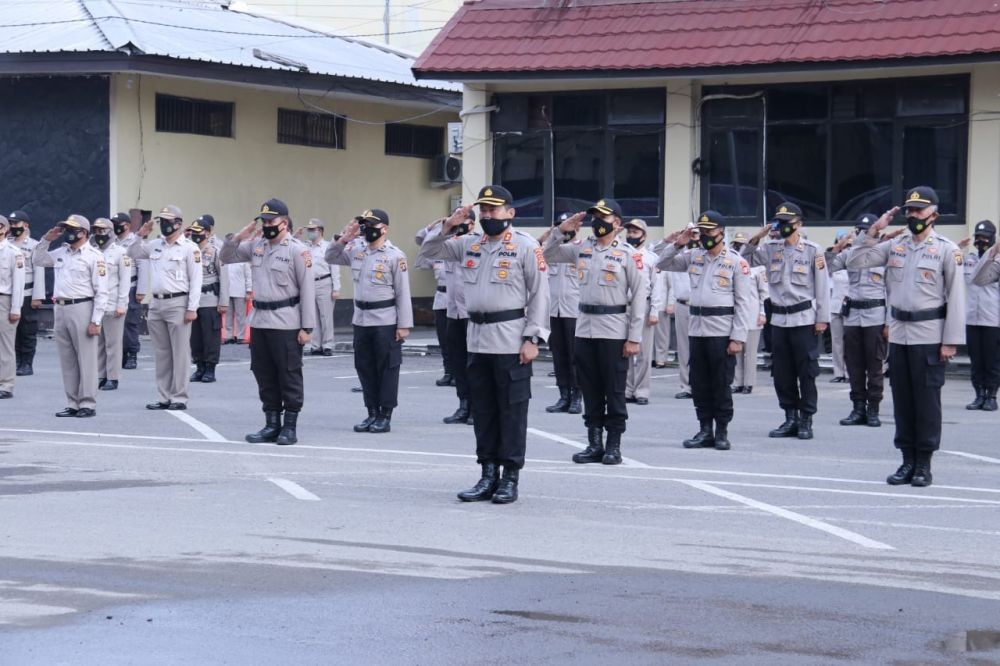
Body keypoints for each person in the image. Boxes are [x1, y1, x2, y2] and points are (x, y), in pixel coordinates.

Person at [417, 185, 549, 504]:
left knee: (512, 412)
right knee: (485, 412)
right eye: (485, 210)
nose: (489, 215)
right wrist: (447, 226)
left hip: (510, 339)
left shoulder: (525, 247)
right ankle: (487, 474)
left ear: (510, 213)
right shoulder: (468, 244)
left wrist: (534, 337)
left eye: (494, 209)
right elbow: (427, 254)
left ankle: (510, 478)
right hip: (476, 340)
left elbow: (540, 295)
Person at [850, 186, 965, 487]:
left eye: (920, 210)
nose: (914, 215)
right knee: (902, 402)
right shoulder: (895, 245)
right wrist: (874, 231)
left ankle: (924, 464)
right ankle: (906, 461)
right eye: (910, 210)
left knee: (927, 403)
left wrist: (950, 340)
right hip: (899, 335)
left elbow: (956, 296)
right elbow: (856, 261)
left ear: (934, 215)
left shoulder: (946, 249)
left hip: (930, 335)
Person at [543, 198, 645, 465]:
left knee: (613, 390)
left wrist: (634, 337)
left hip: (614, 329)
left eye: (604, 217)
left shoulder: (628, 255)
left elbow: (639, 297)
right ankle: (594, 443)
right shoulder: (580, 249)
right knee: (589, 388)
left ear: (617, 223)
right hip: (584, 327)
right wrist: (561, 231)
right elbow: (545, 255)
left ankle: (614, 445)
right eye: (595, 216)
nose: (597, 221)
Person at [654, 211, 753, 450]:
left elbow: (743, 302)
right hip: (697, 329)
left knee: (720, 384)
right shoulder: (693, 256)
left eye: (710, 232)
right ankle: (704, 429)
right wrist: (679, 243)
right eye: (703, 232)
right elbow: (660, 262)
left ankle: (721, 431)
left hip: (722, 331)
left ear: (721, 232)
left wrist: (738, 337)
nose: (706, 236)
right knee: (699, 384)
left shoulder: (736, 262)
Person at [222, 198, 315, 445]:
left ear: (284, 222)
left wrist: (307, 327)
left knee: (289, 374)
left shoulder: (297, 250)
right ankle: (271, 424)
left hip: (286, 322)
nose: (266, 225)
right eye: (263, 220)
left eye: (271, 220)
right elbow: (227, 255)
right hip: (260, 321)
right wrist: (242, 233)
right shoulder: (256, 246)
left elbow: (308, 290)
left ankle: (290, 426)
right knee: (264, 374)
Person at [743, 203, 831, 440]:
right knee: (782, 373)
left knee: (807, 372)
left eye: (787, 222)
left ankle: (806, 419)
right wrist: (756, 237)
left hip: (804, 319)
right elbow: (745, 260)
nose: (782, 227)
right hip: (779, 320)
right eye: (779, 222)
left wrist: (823, 318)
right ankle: (790, 417)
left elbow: (822, 286)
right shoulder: (771, 248)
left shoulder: (813, 250)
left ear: (799, 224)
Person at [327, 209, 413, 434]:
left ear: (384, 229)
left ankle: (385, 414)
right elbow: (331, 257)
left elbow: (403, 292)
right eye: (364, 225)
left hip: (385, 319)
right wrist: (346, 236)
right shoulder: (356, 249)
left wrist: (403, 325)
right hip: (361, 319)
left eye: (372, 225)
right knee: (364, 367)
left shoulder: (395, 256)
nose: (367, 229)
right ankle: (371, 412)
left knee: (386, 368)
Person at [128, 205, 203, 411]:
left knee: (179, 353)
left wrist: (192, 307)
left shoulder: (189, 248)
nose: (165, 225)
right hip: (156, 303)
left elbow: (196, 280)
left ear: (178, 223)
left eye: (169, 221)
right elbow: (132, 252)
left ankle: (179, 396)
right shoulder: (155, 245)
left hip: (178, 302)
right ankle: (163, 396)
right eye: (162, 221)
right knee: (162, 353)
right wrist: (140, 235)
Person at [33, 215, 108, 416]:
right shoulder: (62, 252)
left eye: (73, 228)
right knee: (68, 359)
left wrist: (96, 320)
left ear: (84, 232)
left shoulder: (94, 256)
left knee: (87, 359)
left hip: (82, 307)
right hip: (61, 307)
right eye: (66, 228)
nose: (68, 232)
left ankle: (87, 403)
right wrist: (47, 240)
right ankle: (72, 402)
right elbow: (38, 259)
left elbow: (102, 291)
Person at [828, 213, 891, 426]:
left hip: (875, 315)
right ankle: (857, 408)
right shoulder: (849, 255)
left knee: (874, 366)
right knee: (854, 366)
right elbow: (827, 267)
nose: (863, 234)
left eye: (867, 230)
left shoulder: (885, 254)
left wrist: (889, 322)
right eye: (860, 231)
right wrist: (839, 246)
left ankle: (873, 409)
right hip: (853, 316)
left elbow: (892, 291)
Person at [416, 209, 476, 425]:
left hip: (471, 312)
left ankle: (477, 409)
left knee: (474, 365)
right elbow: (424, 245)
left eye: (465, 221)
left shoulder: (475, 243)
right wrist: (443, 225)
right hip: (453, 311)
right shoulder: (447, 243)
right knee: (458, 363)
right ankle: (463, 405)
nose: (461, 225)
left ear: (473, 225)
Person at [538, 212, 582, 414]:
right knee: (559, 355)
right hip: (553, 310)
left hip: (574, 311)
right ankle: (563, 395)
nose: (564, 229)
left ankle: (577, 396)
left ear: (577, 228)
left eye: (568, 226)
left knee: (575, 356)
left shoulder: (582, 249)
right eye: (560, 226)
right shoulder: (551, 250)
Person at [624, 219, 666, 406]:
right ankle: (627, 389)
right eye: (629, 232)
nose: (631, 235)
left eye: (635, 232)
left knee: (643, 352)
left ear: (644, 236)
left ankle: (641, 390)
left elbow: (658, 286)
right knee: (624, 350)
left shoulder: (651, 258)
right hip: (623, 306)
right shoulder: (622, 254)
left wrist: (655, 310)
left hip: (645, 306)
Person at [91, 218, 131, 391]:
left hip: (113, 303)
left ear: (111, 231)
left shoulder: (121, 253)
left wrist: (122, 304)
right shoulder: (91, 251)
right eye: (97, 231)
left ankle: (113, 377)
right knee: (98, 343)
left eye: (103, 230)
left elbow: (125, 281)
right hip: (95, 305)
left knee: (113, 344)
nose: (100, 234)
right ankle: (101, 375)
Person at [965, 220, 1000, 411]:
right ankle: (978, 395)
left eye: (985, 237)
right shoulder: (968, 259)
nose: (981, 241)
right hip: (971, 318)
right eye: (978, 237)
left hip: (992, 319)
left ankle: (992, 396)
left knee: (992, 361)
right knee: (976, 360)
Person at [188, 220, 229, 384]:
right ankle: (199, 367)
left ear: (207, 232)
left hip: (210, 298)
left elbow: (224, 277)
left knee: (210, 336)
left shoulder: (215, 251)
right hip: (192, 301)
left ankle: (210, 368)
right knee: (195, 337)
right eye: (193, 231)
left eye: (199, 231)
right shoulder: (189, 250)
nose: (195, 234)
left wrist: (224, 301)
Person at [415, 217, 454, 386]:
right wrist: (430, 227)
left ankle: (460, 373)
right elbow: (420, 240)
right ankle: (448, 371)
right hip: (441, 298)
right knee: (444, 339)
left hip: (459, 299)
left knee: (458, 341)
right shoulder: (437, 248)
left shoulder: (462, 244)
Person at [730, 232, 767, 394]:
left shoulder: (758, 268)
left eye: (741, 244)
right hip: (736, 313)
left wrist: (763, 313)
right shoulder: (732, 264)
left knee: (750, 352)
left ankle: (749, 383)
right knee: (736, 350)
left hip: (752, 313)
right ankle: (737, 382)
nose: (738, 247)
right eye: (736, 244)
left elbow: (764, 293)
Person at [8, 211, 43, 377]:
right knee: (11, 329)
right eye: (11, 223)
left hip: (28, 293)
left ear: (25, 225)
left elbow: (39, 271)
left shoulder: (34, 245)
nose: (14, 226)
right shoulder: (5, 244)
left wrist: (38, 296)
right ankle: (14, 362)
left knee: (27, 329)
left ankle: (27, 363)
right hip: (9, 293)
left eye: (17, 223)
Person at [112, 212, 148, 370]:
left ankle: (132, 354)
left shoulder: (135, 241)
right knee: (114, 322)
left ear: (126, 225)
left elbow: (143, 266)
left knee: (130, 323)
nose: (114, 226)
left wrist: (141, 290)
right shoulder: (111, 241)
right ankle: (120, 354)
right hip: (113, 287)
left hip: (131, 288)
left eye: (116, 223)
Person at [300, 220, 339, 356]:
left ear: (320, 231)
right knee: (313, 316)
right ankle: (315, 345)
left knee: (326, 316)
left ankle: (327, 344)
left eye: (313, 229)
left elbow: (334, 267)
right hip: (310, 283)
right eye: (309, 230)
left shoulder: (328, 247)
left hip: (324, 282)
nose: (310, 232)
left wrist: (336, 288)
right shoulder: (306, 247)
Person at [0, 215, 25, 399]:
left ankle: (6, 384)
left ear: (6, 229)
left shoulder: (13, 252)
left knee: (5, 346)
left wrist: (16, 308)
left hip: (4, 300)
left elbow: (18, 283)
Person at [828, 230, 850, 383]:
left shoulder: (858, 262)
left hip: (852, 308)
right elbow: (827, 260)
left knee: (851, 343)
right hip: (836, 307)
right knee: (837, 342)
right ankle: (839, 373)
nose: (847, 248)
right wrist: (839, 244)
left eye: (849, 245)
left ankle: (850, 373)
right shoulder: (834, 264)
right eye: (844, 245)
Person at [224, 235, 253, 344]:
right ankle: (228, 335)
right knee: (228, 315)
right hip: (227, 292)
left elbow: (248, 276)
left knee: (240, 316)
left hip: (240, 292)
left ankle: (240, 336)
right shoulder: (226, 258)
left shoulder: (243, 260)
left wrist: (249, 290)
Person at [652, 270, 671, 368]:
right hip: (648, 305)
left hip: (661, 304)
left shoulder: (667, 266)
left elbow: (672, 286)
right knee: (649, 334)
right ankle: (651, 358)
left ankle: (661, 359)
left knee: (662, 335)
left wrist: (670, 303)